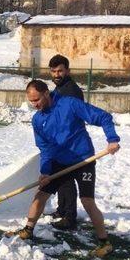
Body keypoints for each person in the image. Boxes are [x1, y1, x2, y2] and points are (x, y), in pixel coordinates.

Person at [8, 80, 120, 258]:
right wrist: (45, 171)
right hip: (59, 162)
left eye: (37, 99)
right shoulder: (38, 120)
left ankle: (105, 242)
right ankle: (28, 229)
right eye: (31, 101)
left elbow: (103, 117)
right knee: (41, 194)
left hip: (83, 160)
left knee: (87, 201)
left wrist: (112, 139)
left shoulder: (70, 104)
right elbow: (44, 148)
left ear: (46, 93)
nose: (34, 104)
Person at [47, 54, 84, 230]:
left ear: (67, 71)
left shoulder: (71, 91)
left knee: (67, 178)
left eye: (60, 71)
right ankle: (62, 210)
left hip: (71, 142)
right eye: (53, 71)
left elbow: (70, 118)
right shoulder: (59, 89)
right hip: (60, 141)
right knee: (61, 177)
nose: (56, 74)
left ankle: (70, 217)